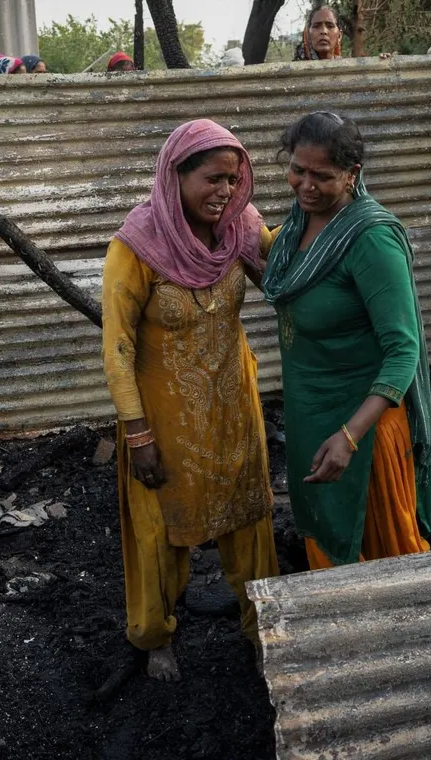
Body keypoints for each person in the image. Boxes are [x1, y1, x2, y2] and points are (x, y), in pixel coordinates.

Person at [102, 119, 279, 680]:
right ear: (174, 176)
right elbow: (117, 350)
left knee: (250, 520)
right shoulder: (136, 246)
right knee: (160, 533)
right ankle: (156, 636)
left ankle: (263, 629)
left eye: (234, 179)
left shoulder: (240, 227)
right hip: (163, 424)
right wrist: (137, 435)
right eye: (212, 179)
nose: (225, 192)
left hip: (233, 408)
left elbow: (285, 277)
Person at [262, 112, 431, 570]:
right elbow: (281, 280)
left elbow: (404, 350)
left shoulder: (370, 239)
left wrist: (350, 436)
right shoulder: (297, 228)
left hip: (364, 428)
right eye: (298, 169)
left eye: (322, 175)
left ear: (352, 174)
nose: (306, 184)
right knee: (328, 544)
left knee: (387, 561)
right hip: (312, 414)